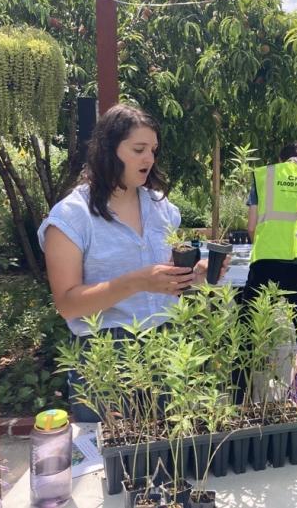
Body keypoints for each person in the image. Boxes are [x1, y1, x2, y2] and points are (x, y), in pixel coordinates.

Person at [37, 104, 224, 422]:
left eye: (152, 149)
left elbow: (163, 281)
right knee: (110, 462)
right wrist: (136, 281)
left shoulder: (161, 208)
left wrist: (195, 276)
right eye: (138, 149)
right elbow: (68, 304)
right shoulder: (72, 217)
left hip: (165, 344)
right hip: (105, 351)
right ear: (109, 150)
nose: (149, 158)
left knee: (169, 453)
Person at [244, 141, 297, 309]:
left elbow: (251, 227)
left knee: (252, 323)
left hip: (266, 258)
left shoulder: (265, 175)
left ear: (281, 159)